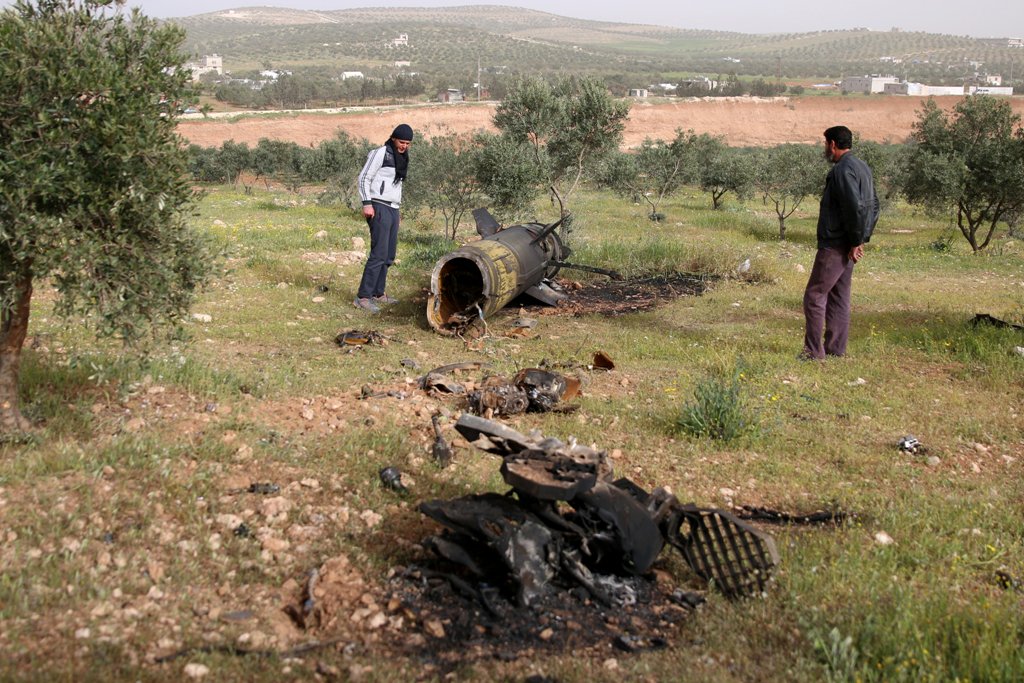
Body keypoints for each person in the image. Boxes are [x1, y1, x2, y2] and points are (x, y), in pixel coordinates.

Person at [801, 125, 879, 360]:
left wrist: (856, 240)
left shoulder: (842, 171)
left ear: (833, 144)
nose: (825, 148)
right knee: (839, 295)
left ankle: (814, 352)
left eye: (826, 144)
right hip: (849, 242)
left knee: (815, 295)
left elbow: (854, 207)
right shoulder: (862, 167)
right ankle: (835, 349)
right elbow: (874, 206)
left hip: (835, 244)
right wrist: (861, 238)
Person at [353, 123, 413, 313]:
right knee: (378, 253)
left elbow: (395, 187)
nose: (404, 146)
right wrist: (367, 203)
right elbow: (364, 178)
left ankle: (378, 293)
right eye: (401, 142)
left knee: (389, 254)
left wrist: (397, 209)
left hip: (392, 208)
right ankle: (363, 297)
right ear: (394, 138)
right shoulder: (380, 153)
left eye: (408, 143)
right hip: (378, 205)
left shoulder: (402, 158)